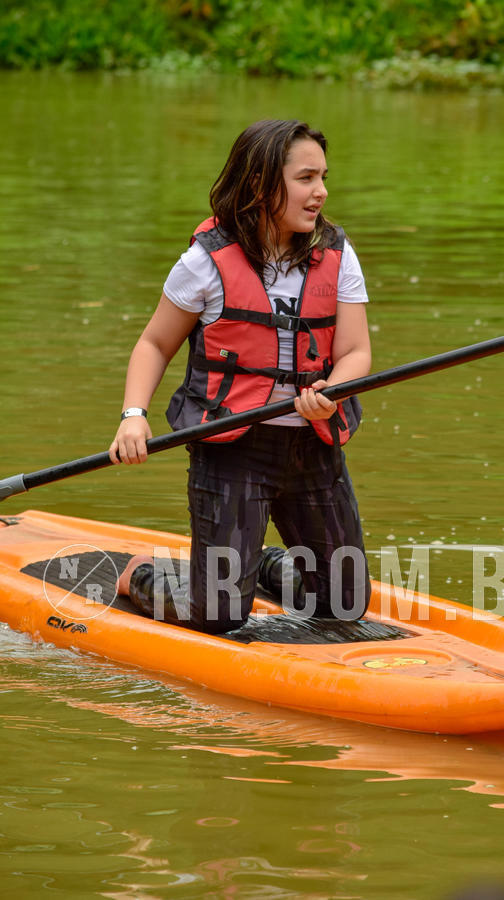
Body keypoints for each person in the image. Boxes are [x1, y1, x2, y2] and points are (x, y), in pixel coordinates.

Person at [109, 119, 371, 634]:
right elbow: (154, 343)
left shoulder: (337, 254)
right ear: (259, 184)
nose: (321, 192)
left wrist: (332, 390)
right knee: (220, 616)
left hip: (313, 448)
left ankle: (265, 564)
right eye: (305, 178)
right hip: (232, 449)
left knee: (344, 607)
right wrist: (133, 416)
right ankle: (142, 574)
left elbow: (356, 351)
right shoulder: (204, 263)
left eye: (323, 177)